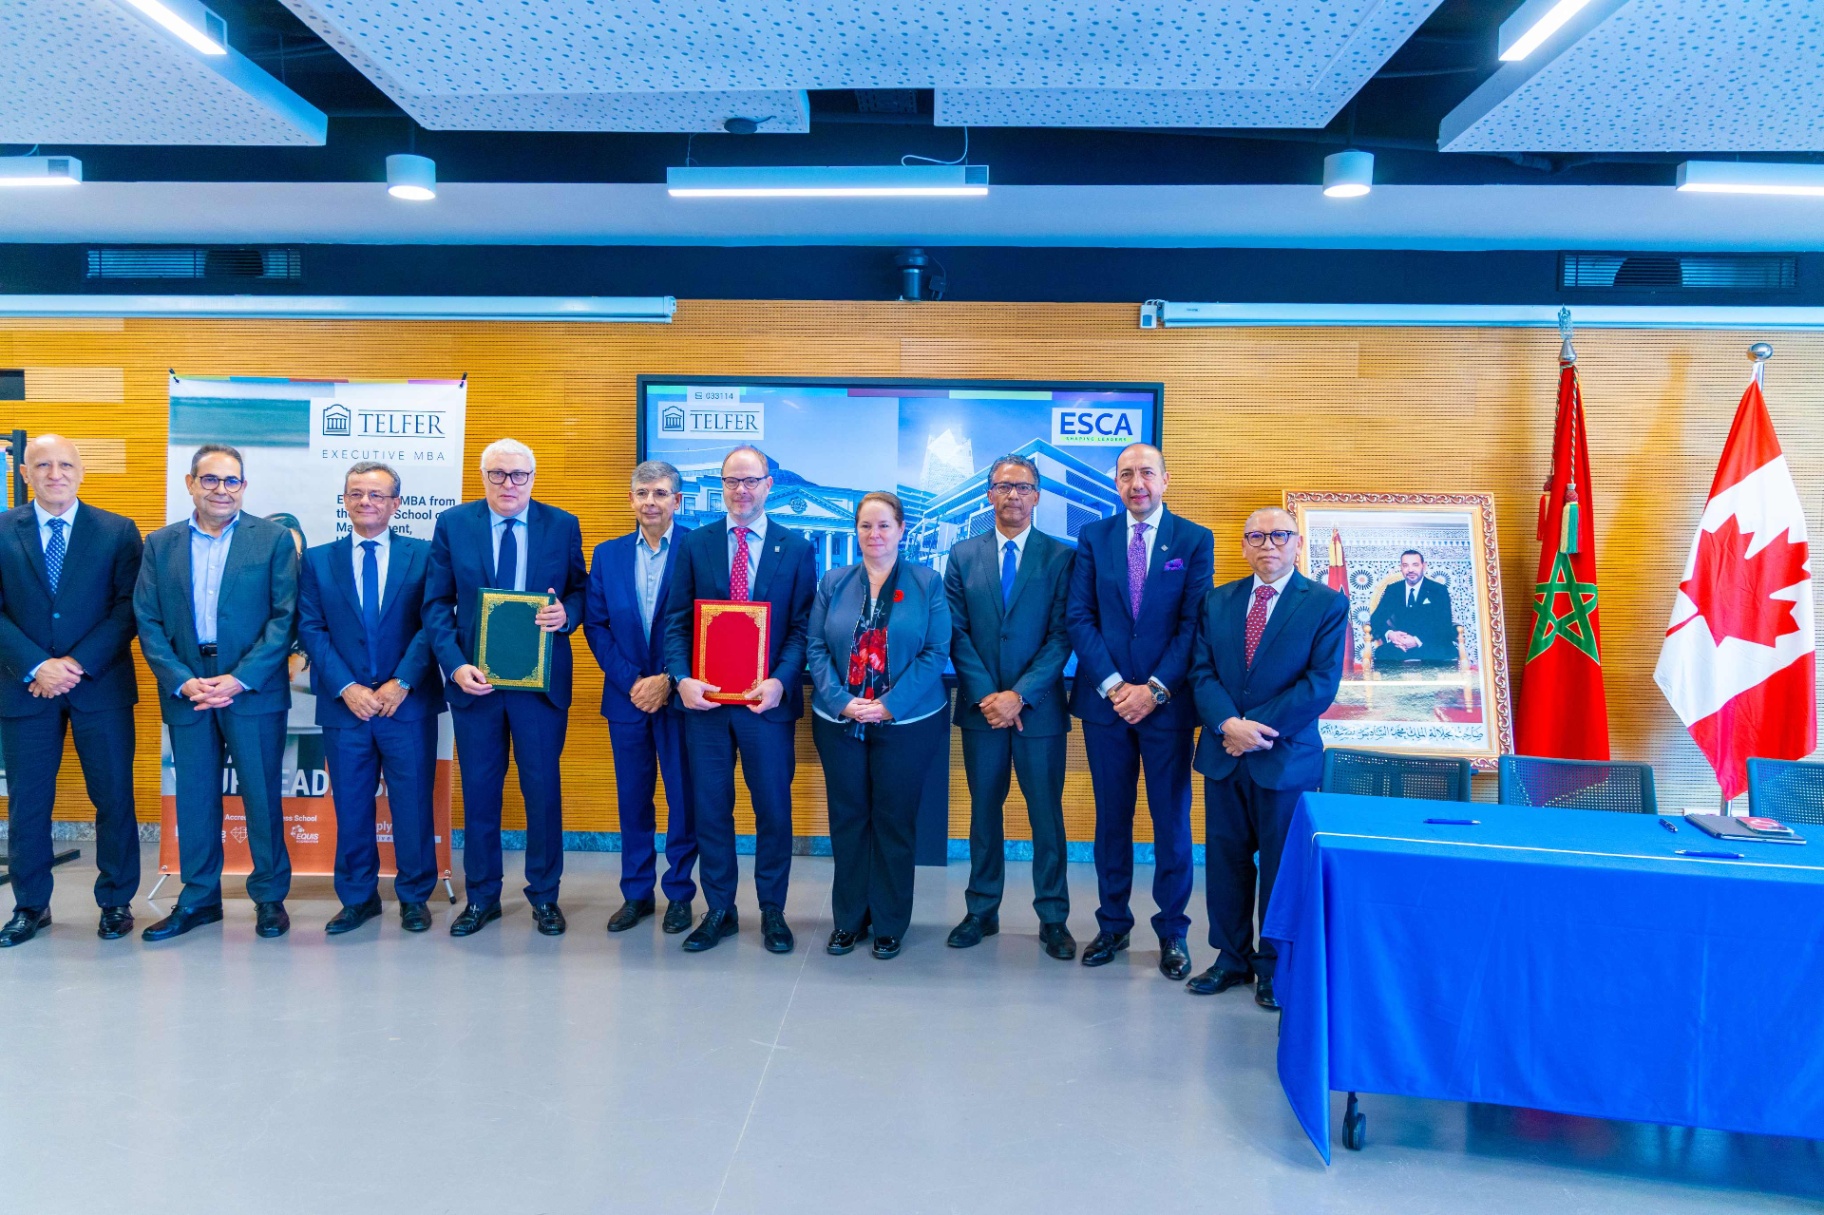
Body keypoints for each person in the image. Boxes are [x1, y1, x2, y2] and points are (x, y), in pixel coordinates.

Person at [134, 444, 299, 941]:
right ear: (191, 483)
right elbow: (148, 619)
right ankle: (200, 897)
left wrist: (240, 677)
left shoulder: (272, 541)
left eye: (231, 481)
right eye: (210, 480)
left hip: (252, 689)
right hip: (188, 687)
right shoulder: (160, 545)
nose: (221, 490)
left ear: (244, 487)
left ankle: (269, 898)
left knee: (263, 795)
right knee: (196, 798)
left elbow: (284, 618)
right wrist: (182, 679)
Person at [1186, 507, 1346, 1009]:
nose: (1267, 545)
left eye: (1278, 535)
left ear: (1297, 543)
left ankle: (1273, 967)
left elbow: (1320, 685)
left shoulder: (1325, 604)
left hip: (1285, 758)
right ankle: (1230, 957)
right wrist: (1227, 724)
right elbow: (1201, 672)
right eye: (1255, 536)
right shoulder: (1218, 601)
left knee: (1281, 867)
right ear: (1243, 546)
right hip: (1224, 752)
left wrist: (1254, 730)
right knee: (1226, 863)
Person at [425, 438, 586, 938]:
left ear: (533, 477)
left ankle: (544, 896)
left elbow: (580, 589)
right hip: (477, 687)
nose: (508, 484)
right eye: (498, 474)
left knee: (542, 793)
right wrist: (454, 666)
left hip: (539, 689)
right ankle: (483, 897)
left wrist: (568, 616)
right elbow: (435, 605)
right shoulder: (454, 525)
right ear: (483, 476)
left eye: (518, 475)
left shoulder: (561, 525)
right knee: (479, 794)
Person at [1065, 442, 1213, 980]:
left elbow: (1194, 625)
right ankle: (1112, 924)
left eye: (1146, 473)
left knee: (1171, 822)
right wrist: (1111, 685)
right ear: (1117, 484)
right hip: (1106, 707)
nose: (1136, 484)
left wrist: (1152, 689)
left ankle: (1173, 931)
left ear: (1165, 480)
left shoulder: (1194, 540)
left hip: (1166, 707)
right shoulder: (1094, 537)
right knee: (1111, 819)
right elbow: (1079, 616)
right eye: (1126, 475)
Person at [663, 445, 816, 955]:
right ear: (722, 485)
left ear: (769, 485)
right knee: (711, 809)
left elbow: (801, 628)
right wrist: (681, 678)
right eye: (732, 481)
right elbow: (677, 621)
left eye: (751, 481)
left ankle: (773, 910)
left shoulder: (796, 548)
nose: (741, 490)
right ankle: (720, 910)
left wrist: (781, 681)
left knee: (773, 809)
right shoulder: (697, 544)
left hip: (765, 705)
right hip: (704, 706)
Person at [0, 435, 143, 947]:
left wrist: (75, 664)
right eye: (43, 464)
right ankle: (31, 906)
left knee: (113, 798)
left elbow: (129, 608)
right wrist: (38, 665)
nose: (54, 473)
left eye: (64, 464)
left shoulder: (117, 531)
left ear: (81, 471)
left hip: (99, 686)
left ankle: (116, 901)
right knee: (29, 802)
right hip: (25, 689)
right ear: (24, 473)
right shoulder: (1, 530)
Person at [297, 461, 445, 935]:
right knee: (353, 806)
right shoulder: (318, 560)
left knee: (413, 804)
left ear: (396, 504)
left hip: (408, 705)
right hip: (347, 708)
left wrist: (402, 681)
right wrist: (348, 687)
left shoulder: (423, 557)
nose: (367, 502)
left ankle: (414, 896)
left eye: (378, 495)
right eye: (357, 493)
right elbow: (311, 629)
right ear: (344, 500)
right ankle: (358, 898)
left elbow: (433, 624)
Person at [943, 453, 1078, 960]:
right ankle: (981, 909)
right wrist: (988, 696)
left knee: (1046, 816)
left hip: (1038, 710)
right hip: (981, 713)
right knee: (983, 813)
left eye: (1023, 487)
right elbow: (955, 632)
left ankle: (1054, 917)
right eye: (1003, 486)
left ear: (1038, 495)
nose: (1013, 496)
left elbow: (1063, 634)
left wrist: (1019, 695)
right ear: (988, 495)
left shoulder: (1061, 557)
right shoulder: (962, 554)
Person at [807, 492, 951, 960]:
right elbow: (814, 648)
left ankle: (889, 922)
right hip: (839, 721)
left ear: (902, 529)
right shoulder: (833, 581)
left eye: (884, 525)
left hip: (908, 723)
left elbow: (935, 651)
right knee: (848, 821)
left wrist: (888, 704)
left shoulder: (928, 582)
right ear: (856, 531)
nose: (875, 535)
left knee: (893, 821)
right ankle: (848, 920)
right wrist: (842, 700)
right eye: (866, 526)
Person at [585, 460, 697, 936]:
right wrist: (634, 681)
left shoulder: (698, 548)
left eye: (660, 493)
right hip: (626, 698)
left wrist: (669, 679)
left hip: (682, 699)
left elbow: (704, 622)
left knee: (682, 799)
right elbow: (596, 625)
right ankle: (636, 894)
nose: (650, 501)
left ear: (678, 500)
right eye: (642, 492)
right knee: (633, 800)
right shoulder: (607, 555)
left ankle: (679, 894)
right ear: (631, 499)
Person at [1367, 549, 1457, 670]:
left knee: (1437, 654)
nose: (1410, 570)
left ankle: (1430, 689)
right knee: (1383, 654)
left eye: (1415, 565)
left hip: (1430, 643)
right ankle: (1396, 689)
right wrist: (1391, 635)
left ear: (1423, 566)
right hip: (1400, 646)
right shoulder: (1393, 590)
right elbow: (1376, 618)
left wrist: (1416, 640)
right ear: (1401, 568)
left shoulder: (1438, 590)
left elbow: (1444, 624)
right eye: (1405, 565)